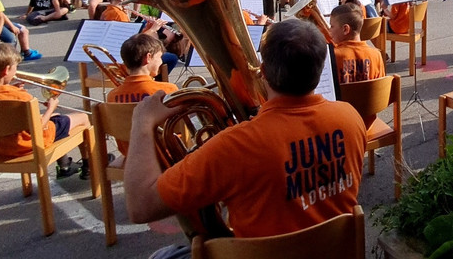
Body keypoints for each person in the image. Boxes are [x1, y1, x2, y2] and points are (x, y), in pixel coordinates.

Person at [123, 20, 368, 244]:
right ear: (321, 67)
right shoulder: (350, 117)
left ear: (263, 70)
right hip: (334, 250)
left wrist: (142, 124)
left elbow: (141, 206)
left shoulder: (234, 145)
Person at [0, 43, 90, 178]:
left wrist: (10, 88)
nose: (16, 72)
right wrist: (51, 108)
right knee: (83, 117)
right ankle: (89, 167)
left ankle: (65, 165)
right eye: (15, 67)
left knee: (57, 117)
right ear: (6, 70)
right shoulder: (19, 97)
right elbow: (38, 127)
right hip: (26, 144)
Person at [107, 34, 179, 156]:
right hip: (165, 154)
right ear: (148, 58)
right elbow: (179, 126)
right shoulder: (168, 89)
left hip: (130, 154)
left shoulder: (112, 96)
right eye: (159, 57)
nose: (161, 62)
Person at [100, 0, 180, 72]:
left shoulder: (108, 11)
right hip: (126, 59)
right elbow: (131, 43)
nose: (132, 0)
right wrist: (153, 29)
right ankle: (151, 79)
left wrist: (147, 28)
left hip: (117, 55)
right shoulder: (119, 14)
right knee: (172, 58)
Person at [330, 3, 385, 84]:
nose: (329, 30)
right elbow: (381, 87)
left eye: (332, 26)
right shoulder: (376, 55)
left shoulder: (332, 56)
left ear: (345, 29)